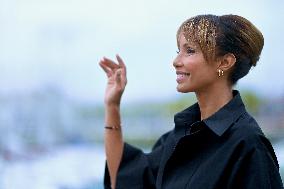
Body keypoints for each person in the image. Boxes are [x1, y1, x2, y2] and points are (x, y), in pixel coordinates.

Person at [99, 14, 284, 189]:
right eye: (178, 50)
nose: (175, 61)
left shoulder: (248, 144)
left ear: (225, 62)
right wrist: (112, 106)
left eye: (190, 51)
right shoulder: (180, 136)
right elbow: (124, 178)